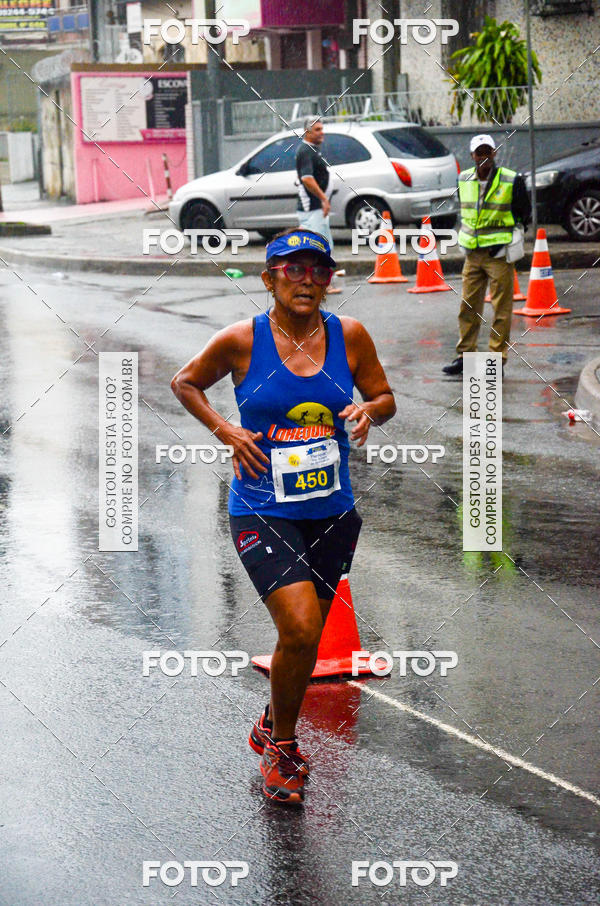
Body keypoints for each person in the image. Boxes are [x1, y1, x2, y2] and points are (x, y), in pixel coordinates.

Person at [171, 228, 395, 806]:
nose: (307, 281)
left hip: (333, 513)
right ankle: (285, 748)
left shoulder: (352, 337)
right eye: (292, 271)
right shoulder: (242, 341)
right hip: (261, 507)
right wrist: (226, 430)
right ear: (268, 279)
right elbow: (185, 382)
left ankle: (272, 720)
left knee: (307, 643)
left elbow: (385, 397)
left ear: (329, 281)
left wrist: (369, 411)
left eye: (318, 271)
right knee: (296, 628)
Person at [442, 134, 531, 376]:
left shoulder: (511, 180)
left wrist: (514, 237)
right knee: (468, 306)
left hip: (499, 255)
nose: (483, 157)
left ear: (494, 153)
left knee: (501, 309)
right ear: (472, 156)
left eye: (487, 152)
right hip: (473, 254)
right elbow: (467, 212)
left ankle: (496, 359)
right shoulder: (464, 178)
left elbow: (524, 214)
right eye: (479, 153)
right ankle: (465, 357)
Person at [295, 117, 334, 249]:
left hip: (318, 207)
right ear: (307, 131)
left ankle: (327, 269)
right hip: (311, 208)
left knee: (325, 247)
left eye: (322, 129)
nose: (321, 132)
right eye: (317, 130)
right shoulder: (305, 151)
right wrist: (323, 198)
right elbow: (307, 178)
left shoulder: (314, 149)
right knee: (317, 248)